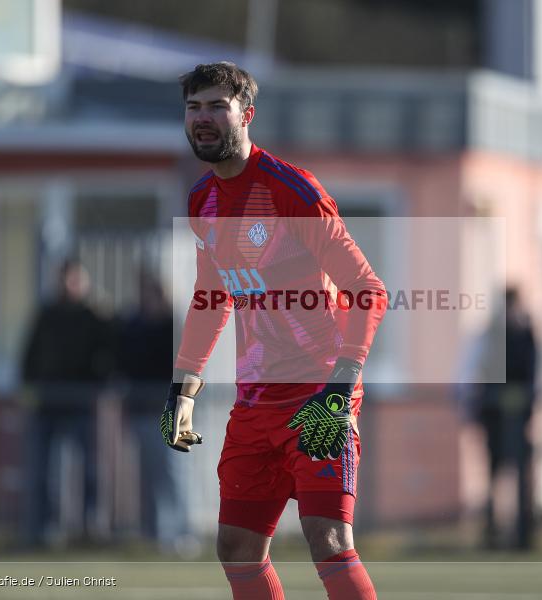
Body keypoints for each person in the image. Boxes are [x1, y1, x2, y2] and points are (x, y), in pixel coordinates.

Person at [160, 62, 386, 600]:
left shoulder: (291, 189)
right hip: (255, 401)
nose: (203, 119)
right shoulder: (201, 202)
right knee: (235, 548)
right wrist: (184, 389)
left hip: (319, 395)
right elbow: (210, 298)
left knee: (327, 538)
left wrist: (341, 386)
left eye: (217, 106)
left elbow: (368, 290)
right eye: (194, 108)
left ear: (247, 115)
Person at [21, 258, 113, 546]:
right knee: (42, 471)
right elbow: (29, 356)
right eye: (64, 278)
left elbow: (108, 355)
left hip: (81, 403)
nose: (68, 284)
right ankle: (42, 530)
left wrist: (98, 386)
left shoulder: (94, 317)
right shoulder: (46, 315)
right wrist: (29, 388)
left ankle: (90, 528)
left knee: (89, 470)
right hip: (48, 402)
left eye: (74, 278)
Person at [115, 269, 197, 556]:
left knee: (173, 473)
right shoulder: (133, 325)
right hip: (140, 410)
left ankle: (182, 532)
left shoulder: (172, 326)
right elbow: (124, 363)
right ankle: (154, 533)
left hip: (170, 411)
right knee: (148, 474)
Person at [469, 287, 536, 550]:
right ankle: (491, 532)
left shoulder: (526, 334)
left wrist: (524, 402)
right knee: (492, 473)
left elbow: (530, 372)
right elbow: (481, 369)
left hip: (517, 419)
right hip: (494, 416)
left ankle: (522, 535)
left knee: (520, 473)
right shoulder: (490, 334)